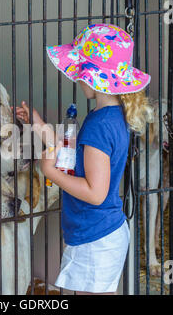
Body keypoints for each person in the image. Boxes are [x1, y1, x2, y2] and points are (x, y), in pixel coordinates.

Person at [13, 23, 154, 295]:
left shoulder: (98, 126)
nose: (76, 77)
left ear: (93, 76)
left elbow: (95, 193)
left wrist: (50, 173)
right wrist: (38, 124)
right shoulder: (111, 117)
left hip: (96, 239)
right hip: (99, 235)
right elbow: (72, 157)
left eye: (80, 70)